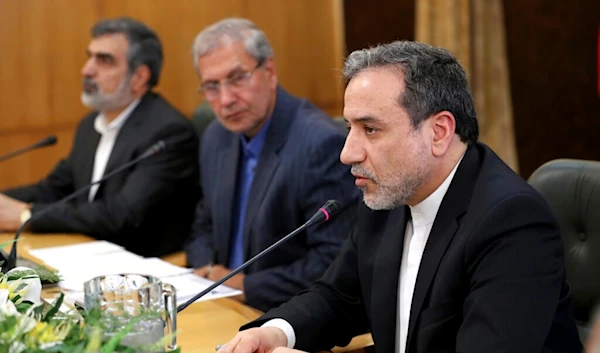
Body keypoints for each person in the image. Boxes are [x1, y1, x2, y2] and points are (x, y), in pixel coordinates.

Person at [217, 41, 583, 353]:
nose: (347, 153)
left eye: (370, 129)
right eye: (349, 127)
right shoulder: (389, 195)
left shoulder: (512, 223)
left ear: (439, 132)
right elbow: (337, 298)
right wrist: (272, 333)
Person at [184, 18, 359, 312]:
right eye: (212, 86)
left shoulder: (320, 144)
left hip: (284, 313)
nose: (225, 99)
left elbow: (334, 261)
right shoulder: (216, 137)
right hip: (218, 302)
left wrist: (244, 286)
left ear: (270, 72)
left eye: (238, 78)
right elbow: (203, 225)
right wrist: (208, 268)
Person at [0, 17, 199, 257]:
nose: (87, 70)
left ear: (139, 77)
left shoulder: (168, 133)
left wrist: (28, 216)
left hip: (141, 268)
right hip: (86, 253)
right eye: (90, 56)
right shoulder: (90, 125)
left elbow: (122, 215)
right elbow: (54, 189)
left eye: (104, 60)